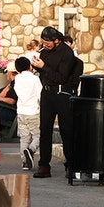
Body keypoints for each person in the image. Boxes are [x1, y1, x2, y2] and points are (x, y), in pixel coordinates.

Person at [31, 26, 78, 178]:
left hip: (62, 93)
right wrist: (36, 65)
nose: (45, 45)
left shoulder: (67, 53)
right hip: (47, 93)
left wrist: (43, 67)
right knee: (45, 129)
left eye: (48, 42)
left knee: (66, 130)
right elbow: (42, 73)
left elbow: (61, 77)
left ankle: (71, 164)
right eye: (43, 42)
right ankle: (44, 165)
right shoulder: (44, 53)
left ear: (56, 40)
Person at [12, 56, 41, 171]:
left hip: (21, 112)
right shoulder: (34, 79)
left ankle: (25, 162)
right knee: (38, 136)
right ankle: (31, 149)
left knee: (24, 138)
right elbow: (40, 95)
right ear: (30, 66)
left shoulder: (17, 79)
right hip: (33, 111)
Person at [0, 61, 19, 125]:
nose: (6, 74)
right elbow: (1, 95)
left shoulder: (16, 84)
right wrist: (8, 86)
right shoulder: (12, 84)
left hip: (11, 111)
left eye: (7, 72)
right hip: (7, 109)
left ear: (10, 73)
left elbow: (12, 100)